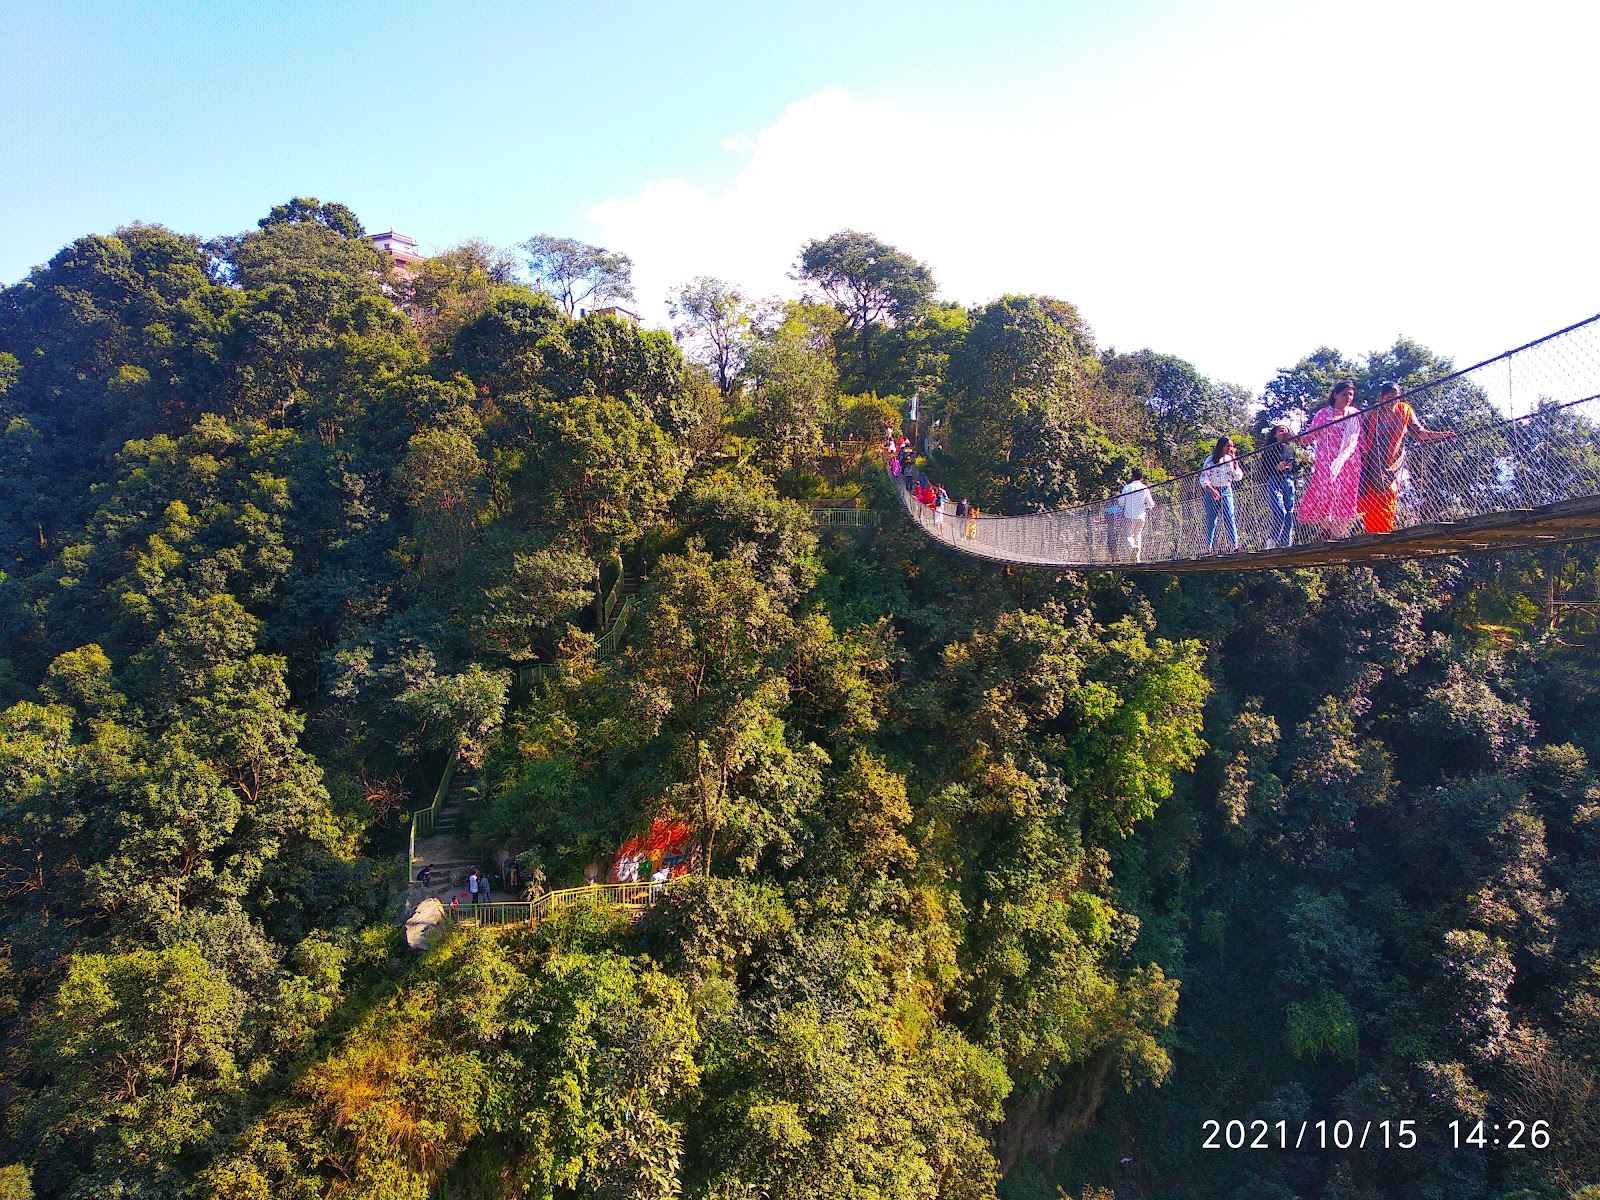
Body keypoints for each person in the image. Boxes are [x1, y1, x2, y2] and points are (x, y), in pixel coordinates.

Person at [1358, 380, 1457, 533]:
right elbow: (1359, 438)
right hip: (1373, 464)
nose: (1393, 401)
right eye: (1389, 398)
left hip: (1394, 462)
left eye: (1396, 397)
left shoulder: (1405, 411)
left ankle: (1386, 532)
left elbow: (1419, 434)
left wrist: (1442, 435)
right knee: (1373, 501)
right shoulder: (1371, 414)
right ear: (1382, 398)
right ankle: (1374, 533)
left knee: (1389, 496)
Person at [1297, 380, 1363, 539]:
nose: (1348, 397)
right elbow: (1310, 436)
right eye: (1344, 394)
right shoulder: (1323, 414)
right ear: (1335, 395)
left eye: (1351, 394)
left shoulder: (1355, 414)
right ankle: (1326, 528)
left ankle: (1338, 534)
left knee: (1345, 494)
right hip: (1327, 462)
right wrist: (1293, 438)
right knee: (1330, 491)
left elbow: (1360, 439)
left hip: (1349, 463)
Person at [1200, 437, 1243, 552]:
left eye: (1232, 446)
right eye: (1228, 446)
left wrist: (1235, 461)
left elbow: (1238, 477)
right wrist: (1212, 490)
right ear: (1221, 446)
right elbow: (1204, 478)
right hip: (1211, 491)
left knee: (1230, 516)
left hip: (1226, 489)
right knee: (1211, 520)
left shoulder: (1230, 459)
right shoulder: (1210, 460)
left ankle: (1235, 545)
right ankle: (1208, 547)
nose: (1231, 448)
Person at [1261, 424, 1298, 548]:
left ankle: (1286, 544)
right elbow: (1264, 469)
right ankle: (1273, 539)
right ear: (1275, 435)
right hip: (1275, 480)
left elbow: (1295, 466)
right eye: (1280, 431)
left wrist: (1290, 466)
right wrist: (1276, 467)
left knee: (1289, 513)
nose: (1283, 433)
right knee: (1279, 511)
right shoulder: (1269, 450)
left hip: (1288, 480)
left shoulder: (1290, 449)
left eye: (1286, 431)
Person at [1118, 469, 1157, 562]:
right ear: (1141, 477)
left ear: (1132, 476)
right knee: (1138, 536)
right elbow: (1151, 503)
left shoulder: (1127, 487)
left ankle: (1132, 548)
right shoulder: (1144, 488)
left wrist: (1124, 506)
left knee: (1128, 535)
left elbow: (1121, 501)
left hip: (1129, 515)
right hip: (1141, 516)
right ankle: (1137, 558)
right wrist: (1145, 506)